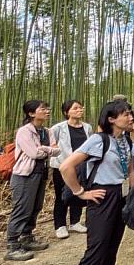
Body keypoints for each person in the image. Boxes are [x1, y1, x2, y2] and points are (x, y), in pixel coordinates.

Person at [56, 101, 134, 265]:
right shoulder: (98, 140)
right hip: (101, 197)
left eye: (130, 113)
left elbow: (130, 168)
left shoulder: (126, 140)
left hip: (120, 196)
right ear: (111, 118)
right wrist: (81, 193)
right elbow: (66, 167)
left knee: (112, 247)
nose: (130, 117)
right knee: (95, 250)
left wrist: (132, 194)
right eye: (125, 114)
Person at [4, 100, 61, 261]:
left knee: (36, 207)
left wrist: (44, 149)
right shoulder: (24, 131)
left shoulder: (47, 131)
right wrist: (46, 150)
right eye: (43, 109)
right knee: (22, 208)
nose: (47, 111)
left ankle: (27, 237)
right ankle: (12, 245)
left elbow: (57, 151)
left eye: (47, 108)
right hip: (24, 175)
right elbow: (34, 153)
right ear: (31, 113)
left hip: (40, 173)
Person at [50, 100, 93, 239]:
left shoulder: (87, 127)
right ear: (66, 112)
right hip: (62, 166)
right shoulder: (57, 128)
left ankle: (75, 222)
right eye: (75, 108)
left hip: (81, 166)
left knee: (79, 192)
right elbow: (52, 145)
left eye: (80, 107)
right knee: (61, 195)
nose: (79, 110)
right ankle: (60, 225)